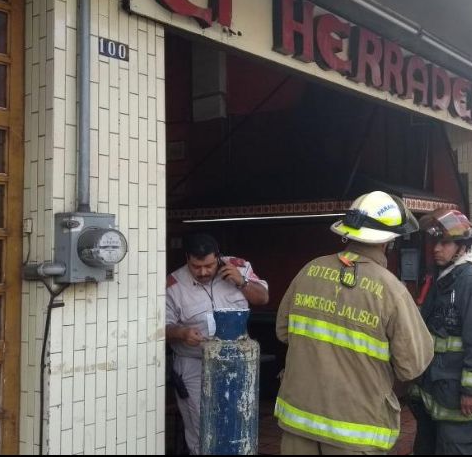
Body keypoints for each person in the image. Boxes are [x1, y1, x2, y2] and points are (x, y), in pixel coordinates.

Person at [274, 191, 434, 455]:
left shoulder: (309, 271)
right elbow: (413, 365)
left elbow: (283, 332)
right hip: (355, 431)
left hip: (298, 422)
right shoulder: (391, 290)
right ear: (387, 242)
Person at [166, 233, 269, 454]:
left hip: (237, 365)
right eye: (196, 266)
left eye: (209, 265)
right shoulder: (174, 285)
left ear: (219, 258)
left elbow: (263, 298)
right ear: (187, 259)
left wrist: (242, 282)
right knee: (201, 427)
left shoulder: (239, 267)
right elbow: (162, 328)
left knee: (238, 420)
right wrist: (181, 332)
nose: (203, 272)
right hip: (193, 364)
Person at [409, 209, 472, 455]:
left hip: (459, 400)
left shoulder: (470, 283)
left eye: (445, 242)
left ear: (462, 247)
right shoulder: (440, 280)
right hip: (435, 393)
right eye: (434, 242)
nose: (436, 248)